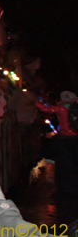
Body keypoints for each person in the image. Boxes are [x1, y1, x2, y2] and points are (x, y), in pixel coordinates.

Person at [35, 91, 78, 224]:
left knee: (62, 161)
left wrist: (36, 103)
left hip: (64, 138)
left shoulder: (61, 108)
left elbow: (47, 109)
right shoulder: (74, 110)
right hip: (75, 138)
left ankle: (51, 160)